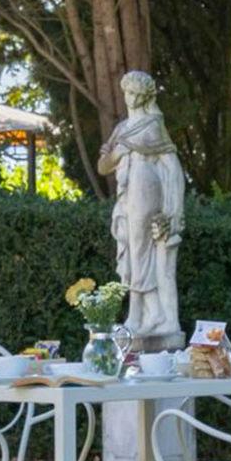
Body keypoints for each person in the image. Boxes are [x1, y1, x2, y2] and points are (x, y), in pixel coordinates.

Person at [98, 70, 186, 345]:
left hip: (146, 189)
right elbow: (103, 166)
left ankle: (138, 315)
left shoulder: (153, 124)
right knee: (134, 249)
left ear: (146, 96)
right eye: (128, 93)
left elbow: (172, 166)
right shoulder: (122, 128)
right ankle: (151, 313)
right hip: (127, 195)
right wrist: (118, 153)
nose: (132, 98)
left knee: (139, 248)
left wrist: (174, 209)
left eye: (137, 94)